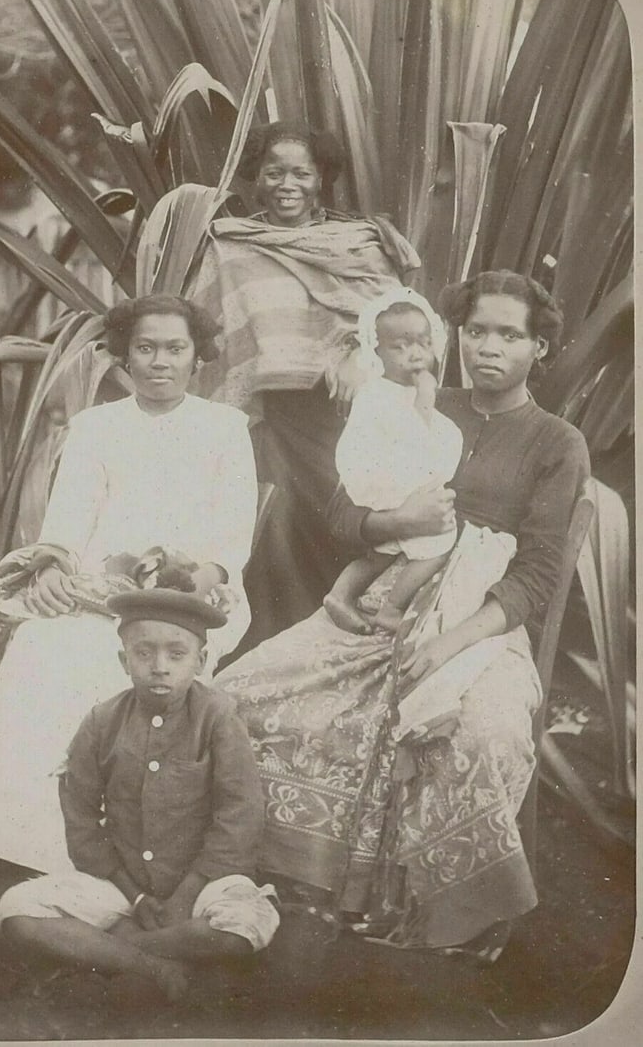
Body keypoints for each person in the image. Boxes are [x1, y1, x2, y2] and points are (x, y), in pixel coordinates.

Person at [212, 270, 590, 960]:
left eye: (509, 335)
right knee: (232, 695)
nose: (488, 348)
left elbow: (537, 574)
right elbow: (341, 509)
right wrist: (392, 522)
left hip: (481, 628)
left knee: (480, 733)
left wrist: (449, 644)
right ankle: (279, 879)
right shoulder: (406, 402)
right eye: (476, 330)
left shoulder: (553, 441)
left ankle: (445, 912)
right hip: (383, 601)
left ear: (539, 347)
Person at [0, 295, 258, 874]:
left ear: (198, 358)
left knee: (125, 656)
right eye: (145, 348)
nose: (159, 361)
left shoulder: (224, 427)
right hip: (99, 584)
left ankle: (115, 845)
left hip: (193, 587)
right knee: (40, 649)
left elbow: (231, 536)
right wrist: (51, 568)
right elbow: (68, 525)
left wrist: (198, 575)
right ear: (124, 355)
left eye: (175, 348)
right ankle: (22, 839)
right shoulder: (95, 427)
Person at [191, 120, 421, 646]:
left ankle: (355, 649)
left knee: (357, 526)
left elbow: (399, 321)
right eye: (273, 173)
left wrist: (357, 351)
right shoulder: (233, 247)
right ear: (256, 178)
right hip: (269, 422)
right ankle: (275, 654)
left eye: (300, 172)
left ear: (322, 178)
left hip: (350, 420)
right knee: (273, 539)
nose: (286, 184)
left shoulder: (360, 244)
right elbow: (213, 337)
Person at [0, 587, 279, 1002]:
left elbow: (240, 815)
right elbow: (81, 814)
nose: (159, 667)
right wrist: (136, 894)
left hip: (203, 885)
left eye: (176, 654)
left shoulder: (217, 717)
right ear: (123, 660)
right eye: (143, 653)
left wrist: (184, 897)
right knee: (16, 909)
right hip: (123, 888)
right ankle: (154, 964)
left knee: (243, 926)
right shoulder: (101, 721)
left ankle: (111, 949)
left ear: (200, 661)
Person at [324, 287, 467, 634]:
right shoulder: (377, 393)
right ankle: (392, 608)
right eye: (399, 347)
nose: (414, 355)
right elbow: (413, 435)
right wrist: (426, 396)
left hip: (397, 481)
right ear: (376, 352)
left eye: (421, 343)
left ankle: (340, 595)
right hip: (386, 481)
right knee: (439, 542)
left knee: (382, 552)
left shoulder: (399, 391)